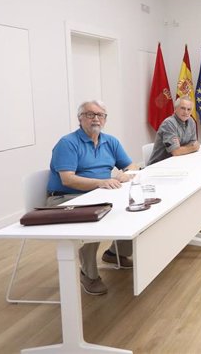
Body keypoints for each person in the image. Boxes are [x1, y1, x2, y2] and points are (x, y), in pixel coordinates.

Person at [46, 100, 137, 296]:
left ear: (105, 119)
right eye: (90, 114)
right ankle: (88, 274)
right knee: (93, 221)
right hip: (66, 199)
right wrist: (101, 182)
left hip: (98, 194)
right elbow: (68, 180)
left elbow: (131, 167)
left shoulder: (110, 141)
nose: (96, 118)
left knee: (134, 207)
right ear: (80, 118)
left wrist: (124, 174)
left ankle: (115, 253)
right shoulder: (67, 143)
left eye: (100, 115)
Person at [148, 96, 199, 165]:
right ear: (175, 109)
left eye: (189, 109)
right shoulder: (169, 124)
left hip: (178, 162)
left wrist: (181, 147)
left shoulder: (191, 122)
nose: (186, 112)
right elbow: (176, 152)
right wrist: (193, 148)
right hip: (159, 166)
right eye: (183, 108)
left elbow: (193, 143)